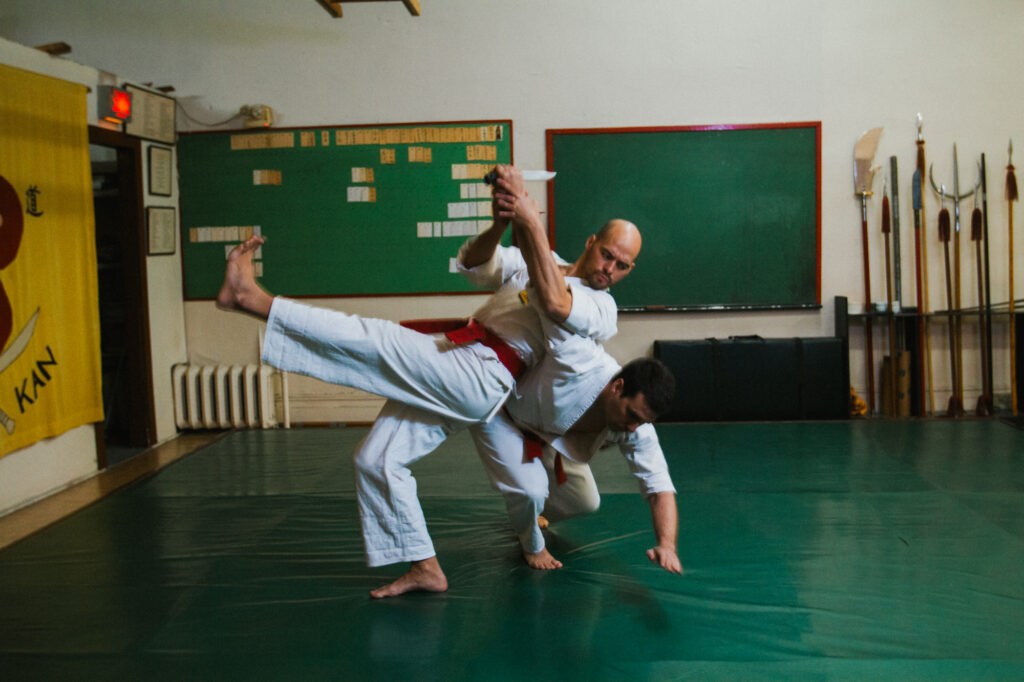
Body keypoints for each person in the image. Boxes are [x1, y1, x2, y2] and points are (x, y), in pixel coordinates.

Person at [217, 165, 643, 597]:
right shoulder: (543, 261)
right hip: (458, 355)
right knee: (376, 459)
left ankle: (253, 299)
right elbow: (475, 263)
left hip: (481, 375)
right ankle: (425, 565)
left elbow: (554, 301)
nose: (610, 268)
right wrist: (500, 224)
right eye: (608, 254)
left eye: (623, 265)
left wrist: (528, 215)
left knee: (373, 339)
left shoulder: (601, 309)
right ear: (591, 242)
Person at [472, 347, 682, 575]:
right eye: (631, 415)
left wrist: (667, 545)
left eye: (642, 421)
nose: (633, 427)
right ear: (618, 387)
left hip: (555, 439)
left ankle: (528, 515)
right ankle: (530, 541)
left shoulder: (637, 429)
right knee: (530, 491)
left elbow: (659, 487)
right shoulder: (577, 367)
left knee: (583, 501)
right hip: (507, 417)